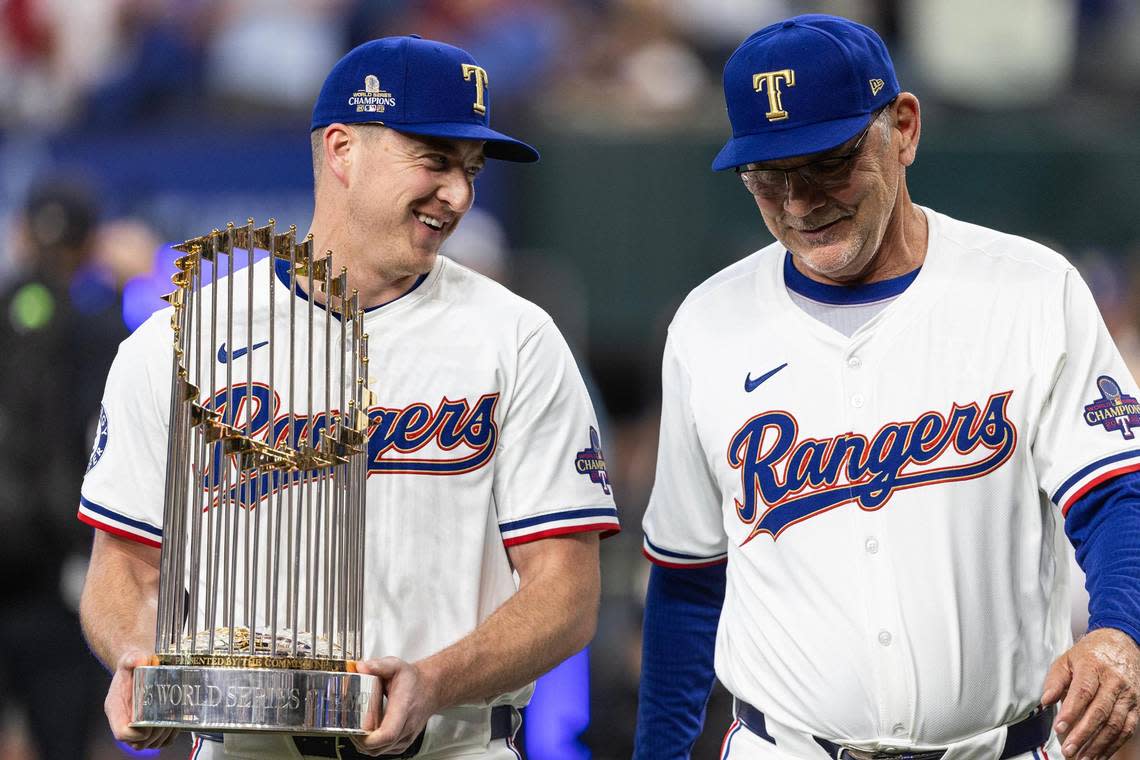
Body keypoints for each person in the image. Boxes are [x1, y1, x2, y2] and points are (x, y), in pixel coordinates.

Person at [77, 36, 619, 760]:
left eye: (470, 170)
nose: (457, 193)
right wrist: (136, 659)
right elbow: (123, 567)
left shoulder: (516, 338)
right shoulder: (177, 344)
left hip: (453, 745)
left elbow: (567, 591)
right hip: (248, 747)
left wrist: (435, 679)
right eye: (434, 161)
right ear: (341, 150)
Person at [635, 14, 1140, 760]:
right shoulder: (707, 325)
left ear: (903, 128)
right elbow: (687, 577)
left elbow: (1115, 496)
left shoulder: (1030, 290)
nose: (800, 202)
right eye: (767, 177)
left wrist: (1119, 631)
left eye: (828, 163)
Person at [0, 179, 124, 760]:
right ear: (91, 244)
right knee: (65, 743)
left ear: (21, 234)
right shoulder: (106, 332)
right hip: (66, 577)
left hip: (15, 567)